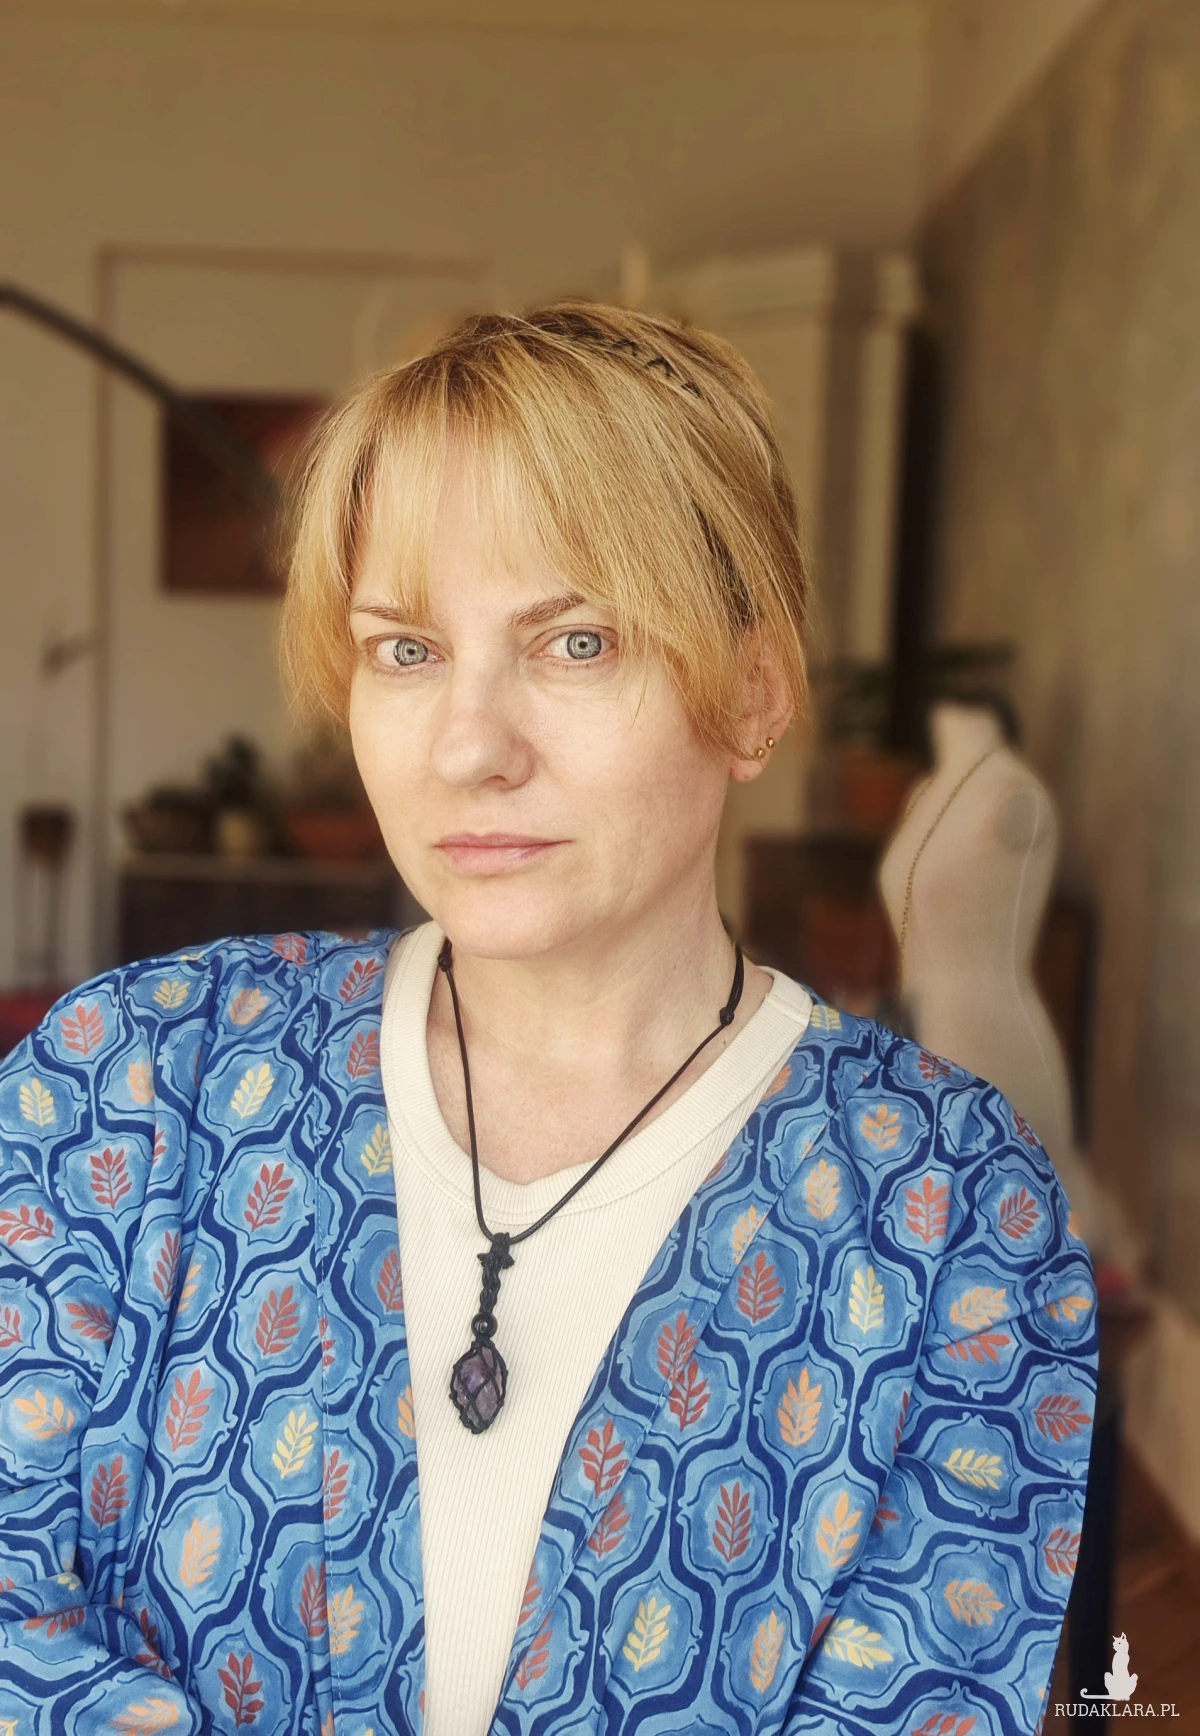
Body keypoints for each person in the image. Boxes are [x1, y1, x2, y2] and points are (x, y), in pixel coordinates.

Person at [0, 303, 1095, 1735]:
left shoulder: (951, 1211)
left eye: (577, 642)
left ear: (753, 694)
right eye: (405, 650)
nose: (469, 748)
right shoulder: (129, 1085)